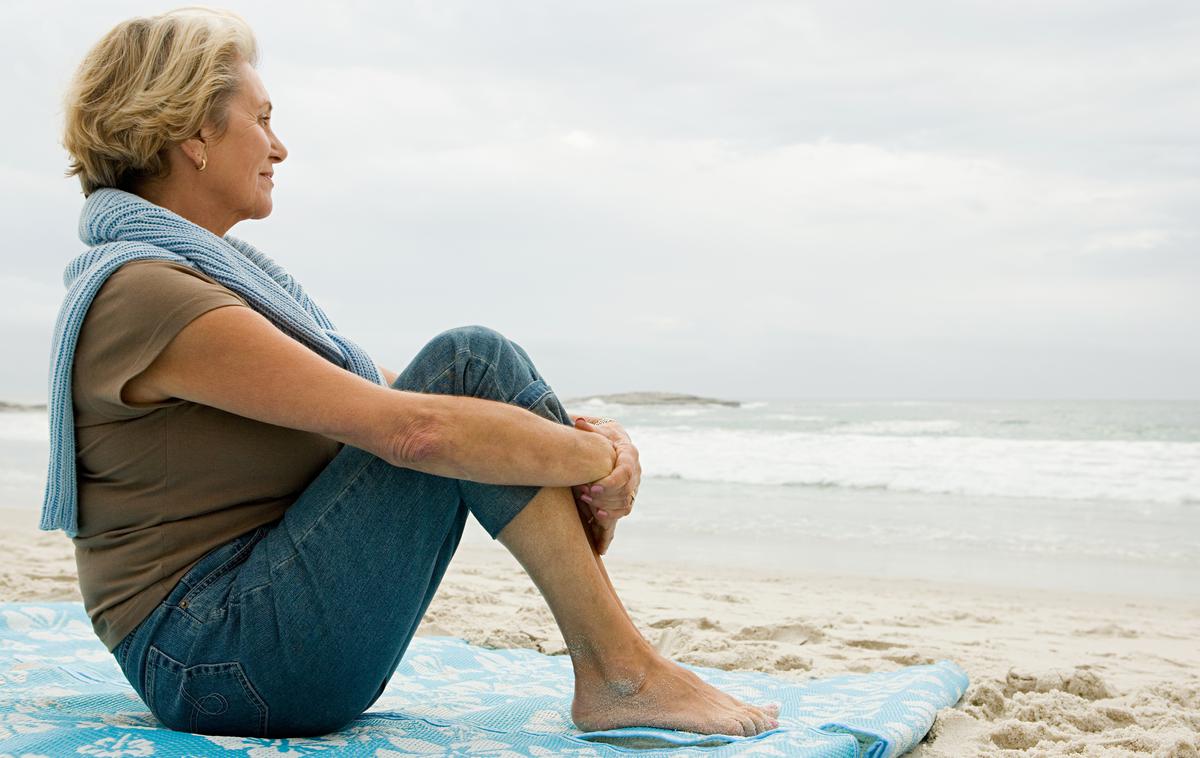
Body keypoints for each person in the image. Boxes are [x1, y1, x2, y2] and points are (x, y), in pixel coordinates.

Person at [51, 6, 779, 739]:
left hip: (241, 648)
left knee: (470, 372)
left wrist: (587, 441)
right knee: (471, 360)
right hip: (217, 659)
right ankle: (623, 673)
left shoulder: (201, 280)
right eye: (262, 118)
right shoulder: (148, 292)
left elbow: (412, 397)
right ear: (193, 135)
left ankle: (622, 669)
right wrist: (596, 461)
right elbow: (418, 427)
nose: (279, 145)